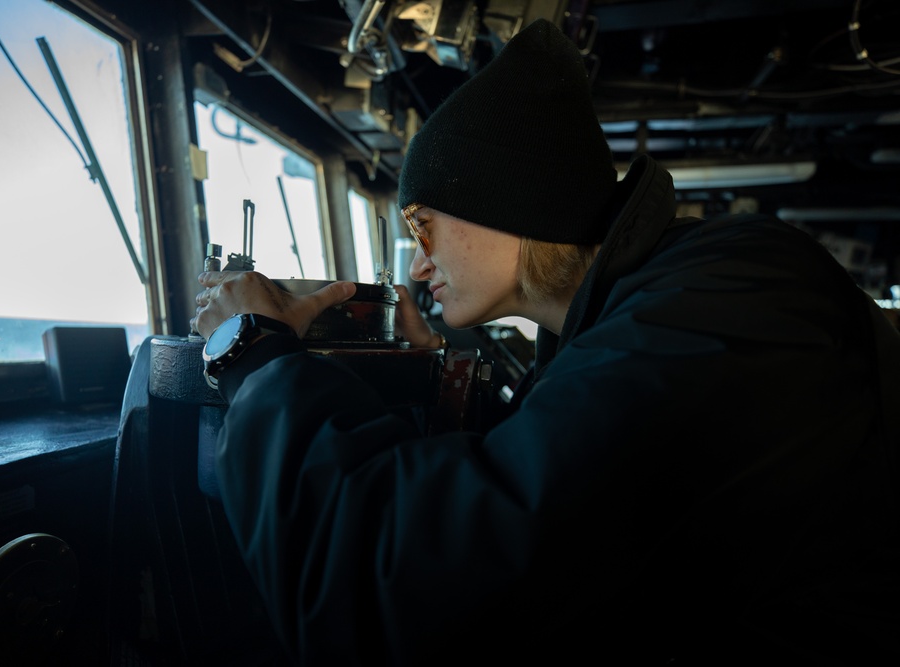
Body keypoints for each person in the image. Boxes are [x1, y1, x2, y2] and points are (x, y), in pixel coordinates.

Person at [191, 18, 900, 665]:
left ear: (509, 199)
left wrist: (249, 352)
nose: (416, 263)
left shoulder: (726, 299)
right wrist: (441, 375)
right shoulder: (645, 308)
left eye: (423, 225)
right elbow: (565, 469)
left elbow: (402, 593)